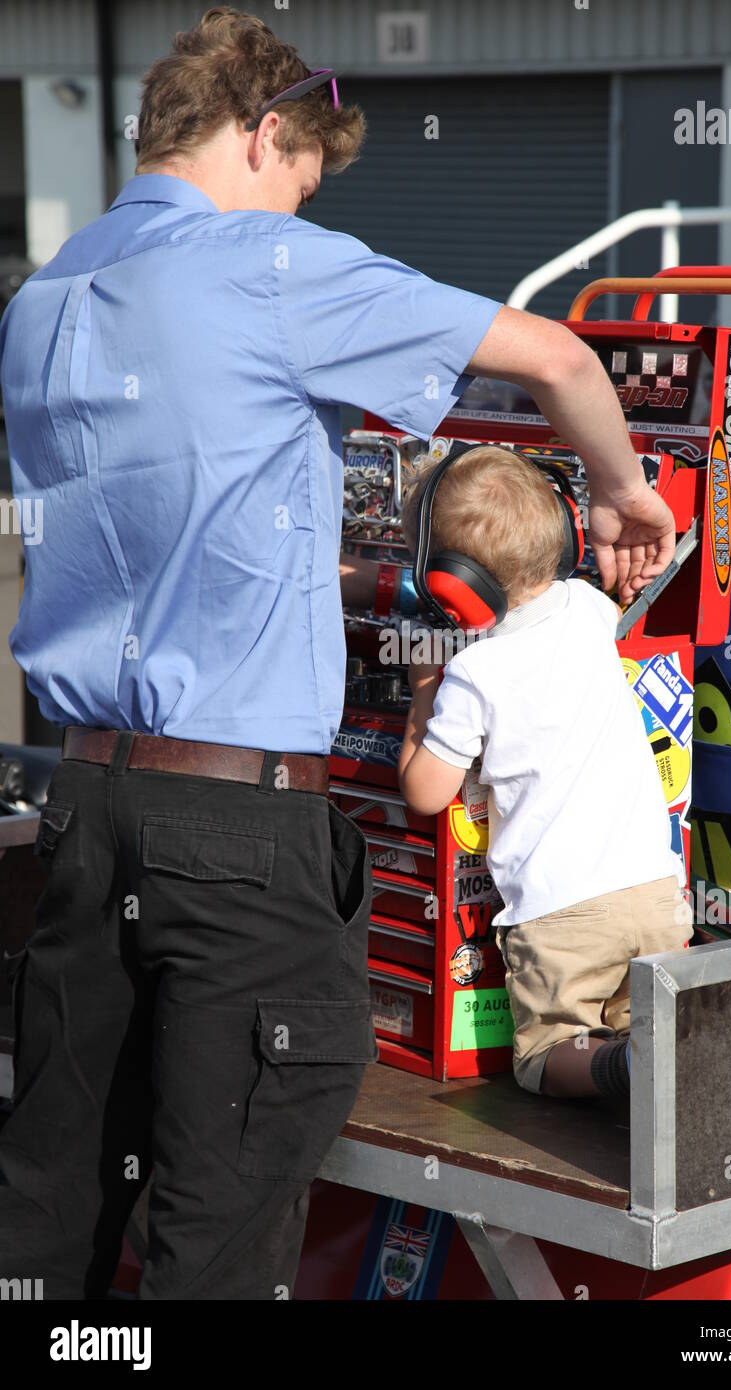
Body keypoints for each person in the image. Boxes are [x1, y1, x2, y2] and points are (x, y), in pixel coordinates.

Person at [0, 6, 675, 1299]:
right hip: (236, 830)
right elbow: (557, 355)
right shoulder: (260, 263)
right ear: (262, 134)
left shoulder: (46, 297)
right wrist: (623, 492)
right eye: (301, 186)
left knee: (55, 1197)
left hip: (87, 801)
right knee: (226, 1202)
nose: (300, 217)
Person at [399, 445, 691, 1102]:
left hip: (562, 914)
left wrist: (424, 686)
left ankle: (612, 1068)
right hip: (657, 892)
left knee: (547, 1049)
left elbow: (425, 792)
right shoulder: (588, 606)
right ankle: (649, 1058)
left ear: (453, 583)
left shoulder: (473, 673)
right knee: (640, 1019)